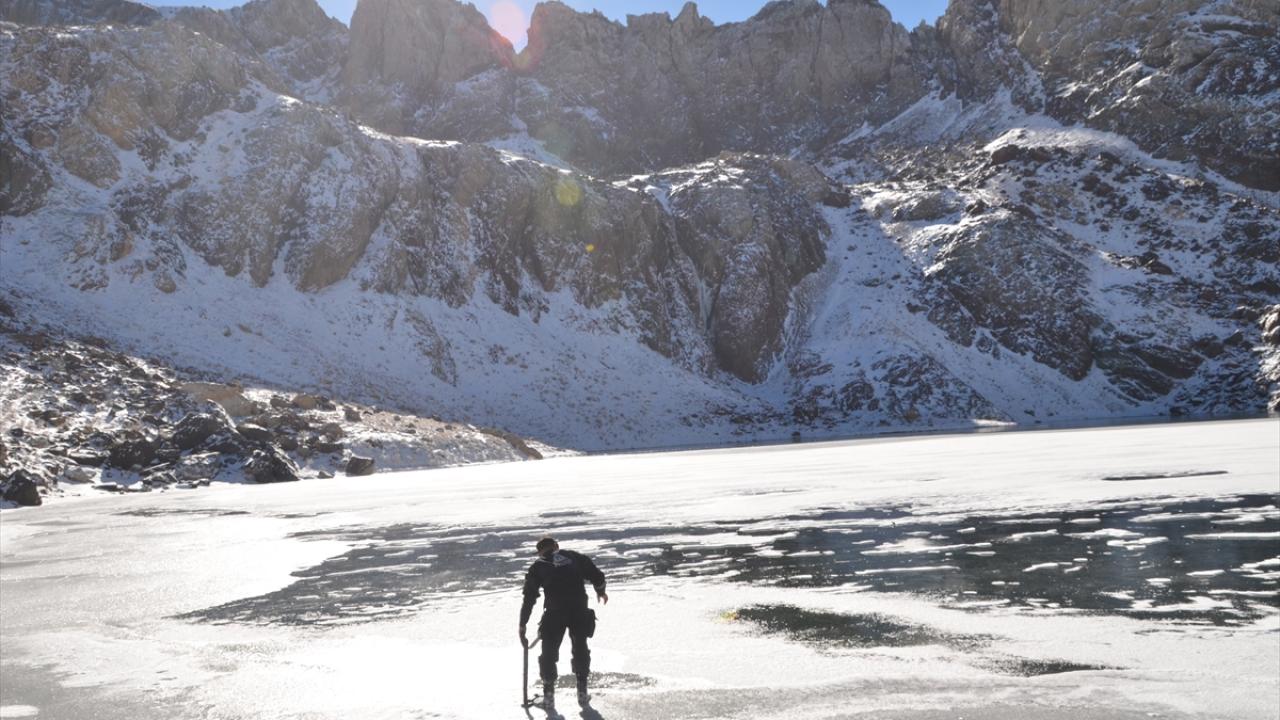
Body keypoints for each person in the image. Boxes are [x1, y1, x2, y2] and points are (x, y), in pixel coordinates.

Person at [519, 536, 608, 707]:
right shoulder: (573, 557)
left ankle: (549, 698)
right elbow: (597, 575)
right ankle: (582, 694)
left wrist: (522, 624)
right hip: (579, 611)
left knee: (548, 653)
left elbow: (529, 597)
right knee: (580, 648)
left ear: (540, 552)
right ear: (556, 546)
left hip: (555, 613)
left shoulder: (538, 566)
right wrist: (601, 591)